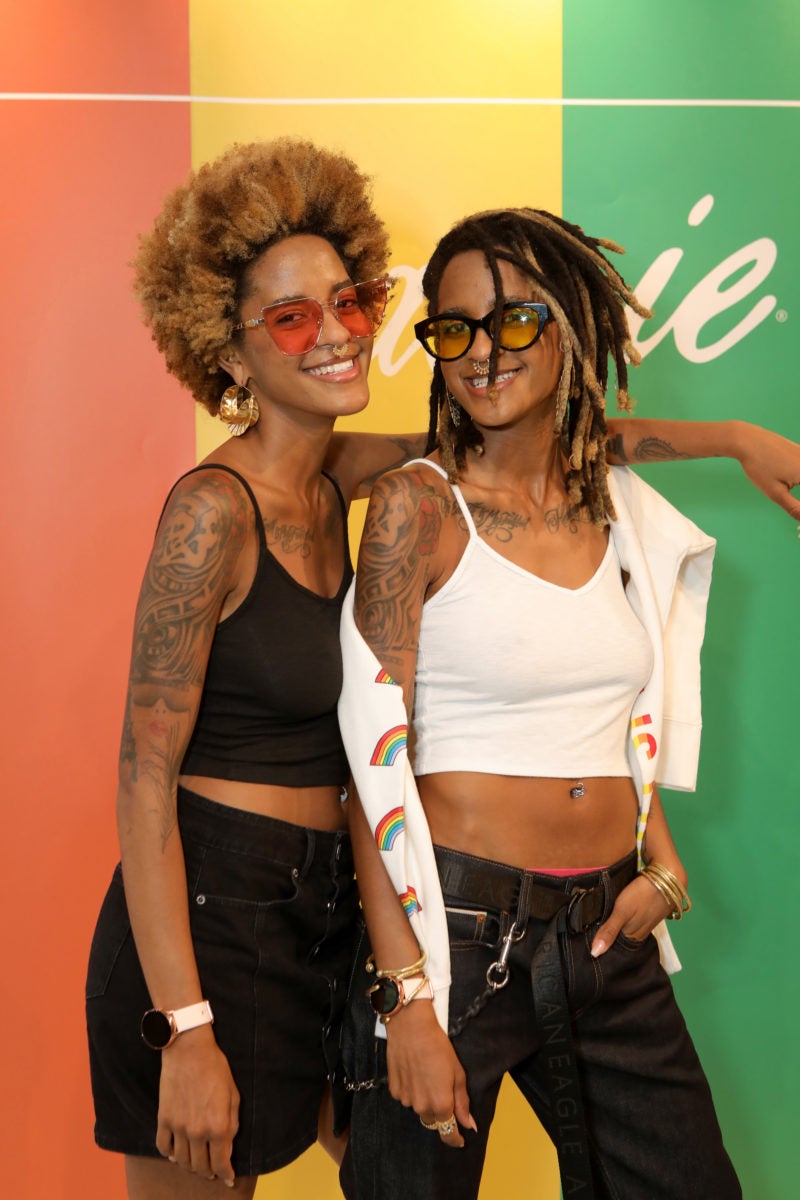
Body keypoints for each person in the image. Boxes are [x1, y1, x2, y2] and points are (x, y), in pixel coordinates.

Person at [85, 137, 799, 1199]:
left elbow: (553, 436)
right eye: (293, 318)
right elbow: (143, 780)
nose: (337, 333)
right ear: (227, 353)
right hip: (213, 907)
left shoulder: (344, 472)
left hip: (327, 903)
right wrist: (183, 1023)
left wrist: (734, 438)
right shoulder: (212, 512)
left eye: (350, 302)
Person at [336, 207, 768, 1199]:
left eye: (516, 321)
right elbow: (369, 762)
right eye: (454, 330)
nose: (484, 354)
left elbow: (621, 721)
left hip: (606, 927)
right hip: (454, 937)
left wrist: (662, 866)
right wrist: (405, 997)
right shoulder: (417, 507)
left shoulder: (611, 503)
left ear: (568, 325)